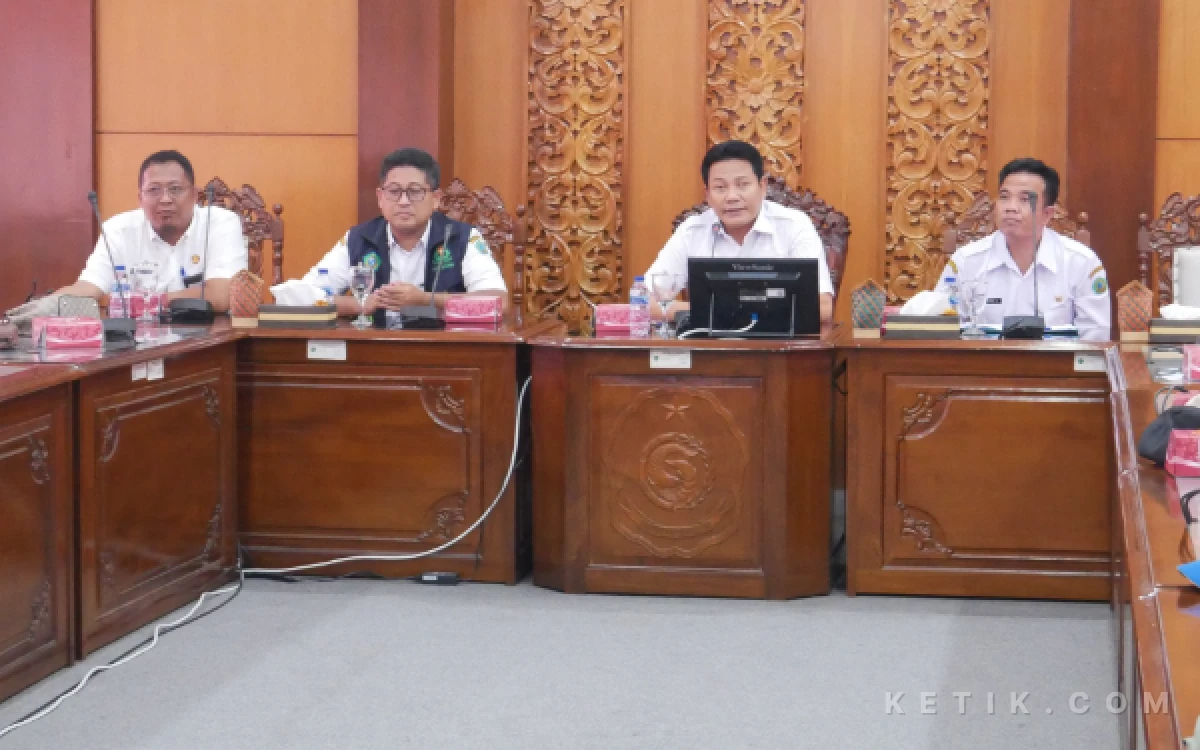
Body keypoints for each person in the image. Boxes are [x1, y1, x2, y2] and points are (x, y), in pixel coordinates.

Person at [6, 150, 246, 321]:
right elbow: (90, 287)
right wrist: (47, 305)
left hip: (206, 342)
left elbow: (222, 295)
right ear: (140, 198)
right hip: (136, 344)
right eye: (154, 190)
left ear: (194, 195)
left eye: (175, 189)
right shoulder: (119, 230)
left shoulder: (221, 223)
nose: (165, 199)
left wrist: (143, 302)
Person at [644, 139, 835, 323]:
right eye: (720, 187)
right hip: (711, 351)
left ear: (762, 187)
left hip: (779, 349)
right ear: (707, 195)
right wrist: (729, 309)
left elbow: (822, 307)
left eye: (743, 185)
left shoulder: (793, 225)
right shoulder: (692, 231)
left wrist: (717, 310)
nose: (732, 197)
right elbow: (644, 302)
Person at [304, 147, 507, 316]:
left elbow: (499, 303)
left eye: (415, 191)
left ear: (436, 198)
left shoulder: (462, 238)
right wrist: (362, 304)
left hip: (444, 352)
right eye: (393, 191)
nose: (403, 202)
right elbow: (303, 296)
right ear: (380, 198)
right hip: (375, 351)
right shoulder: (359, 238)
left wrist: (427, 300)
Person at [934, 158, 1110, 341]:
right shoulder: (966, 261)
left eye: (1025, 199)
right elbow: (943, 328)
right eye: (1004, 197)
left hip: (1056, 367)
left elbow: (1095, 338)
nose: (1011, 208)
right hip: (985, 366)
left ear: (1047, 214)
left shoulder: (1081, 262)